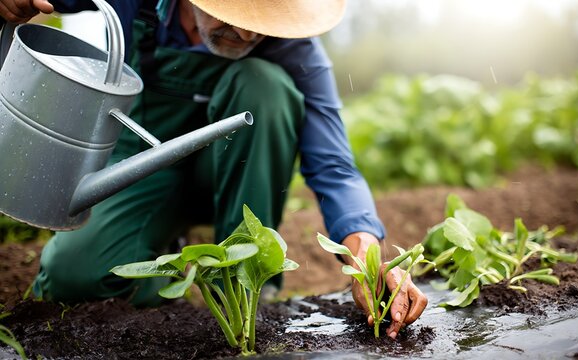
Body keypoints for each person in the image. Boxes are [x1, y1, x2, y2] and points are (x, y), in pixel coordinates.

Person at [0, 0, 427, 338]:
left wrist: (368, 257)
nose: (244, 32)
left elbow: (335, 167)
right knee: (71, 280)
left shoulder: (295, 49)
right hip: (144, 167)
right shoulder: (142, 5)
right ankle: (172, 272)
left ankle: (242, 290)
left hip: (235, 178)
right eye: (230, 11)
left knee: (265, 84)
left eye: (261, 17)